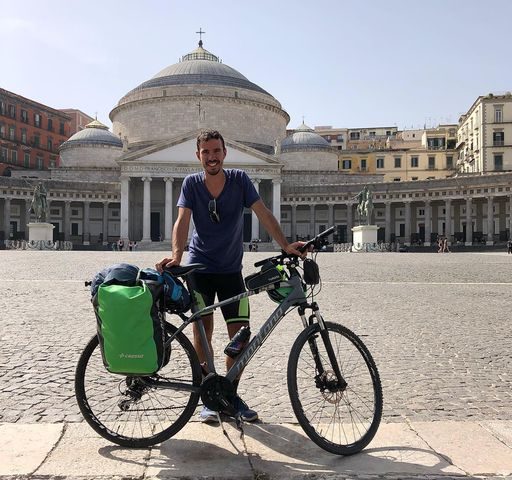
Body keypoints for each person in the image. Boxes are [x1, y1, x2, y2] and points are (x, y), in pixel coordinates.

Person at [156, 129, 304, 424]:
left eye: (216, 151)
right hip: (199, 269)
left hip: (230, 270)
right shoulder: (191, 184)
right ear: (198, 156)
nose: (211, 157)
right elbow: (182, 221)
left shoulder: (239, 180)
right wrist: (177, 256)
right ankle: (208, 396)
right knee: (203, 334)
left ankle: (229, 394)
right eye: (206, 152)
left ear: (224, 153)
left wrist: (285, 245)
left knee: (241, 335)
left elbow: (263, 213)